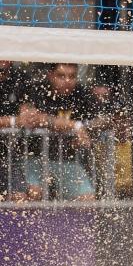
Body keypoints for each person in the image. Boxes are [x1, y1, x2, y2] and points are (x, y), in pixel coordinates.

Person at [16, 63, 101, 201]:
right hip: (35, 158)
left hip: (67, 161)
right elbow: (34, 119)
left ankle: (76, 223)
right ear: (50, 75)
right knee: (34, 193)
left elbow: (99, 120)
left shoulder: (82, 93)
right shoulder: (37, 89)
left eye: (72, 76)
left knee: (88, 199)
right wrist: (76, 126)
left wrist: (87, 131)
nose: (67, 81)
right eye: (61, 76)